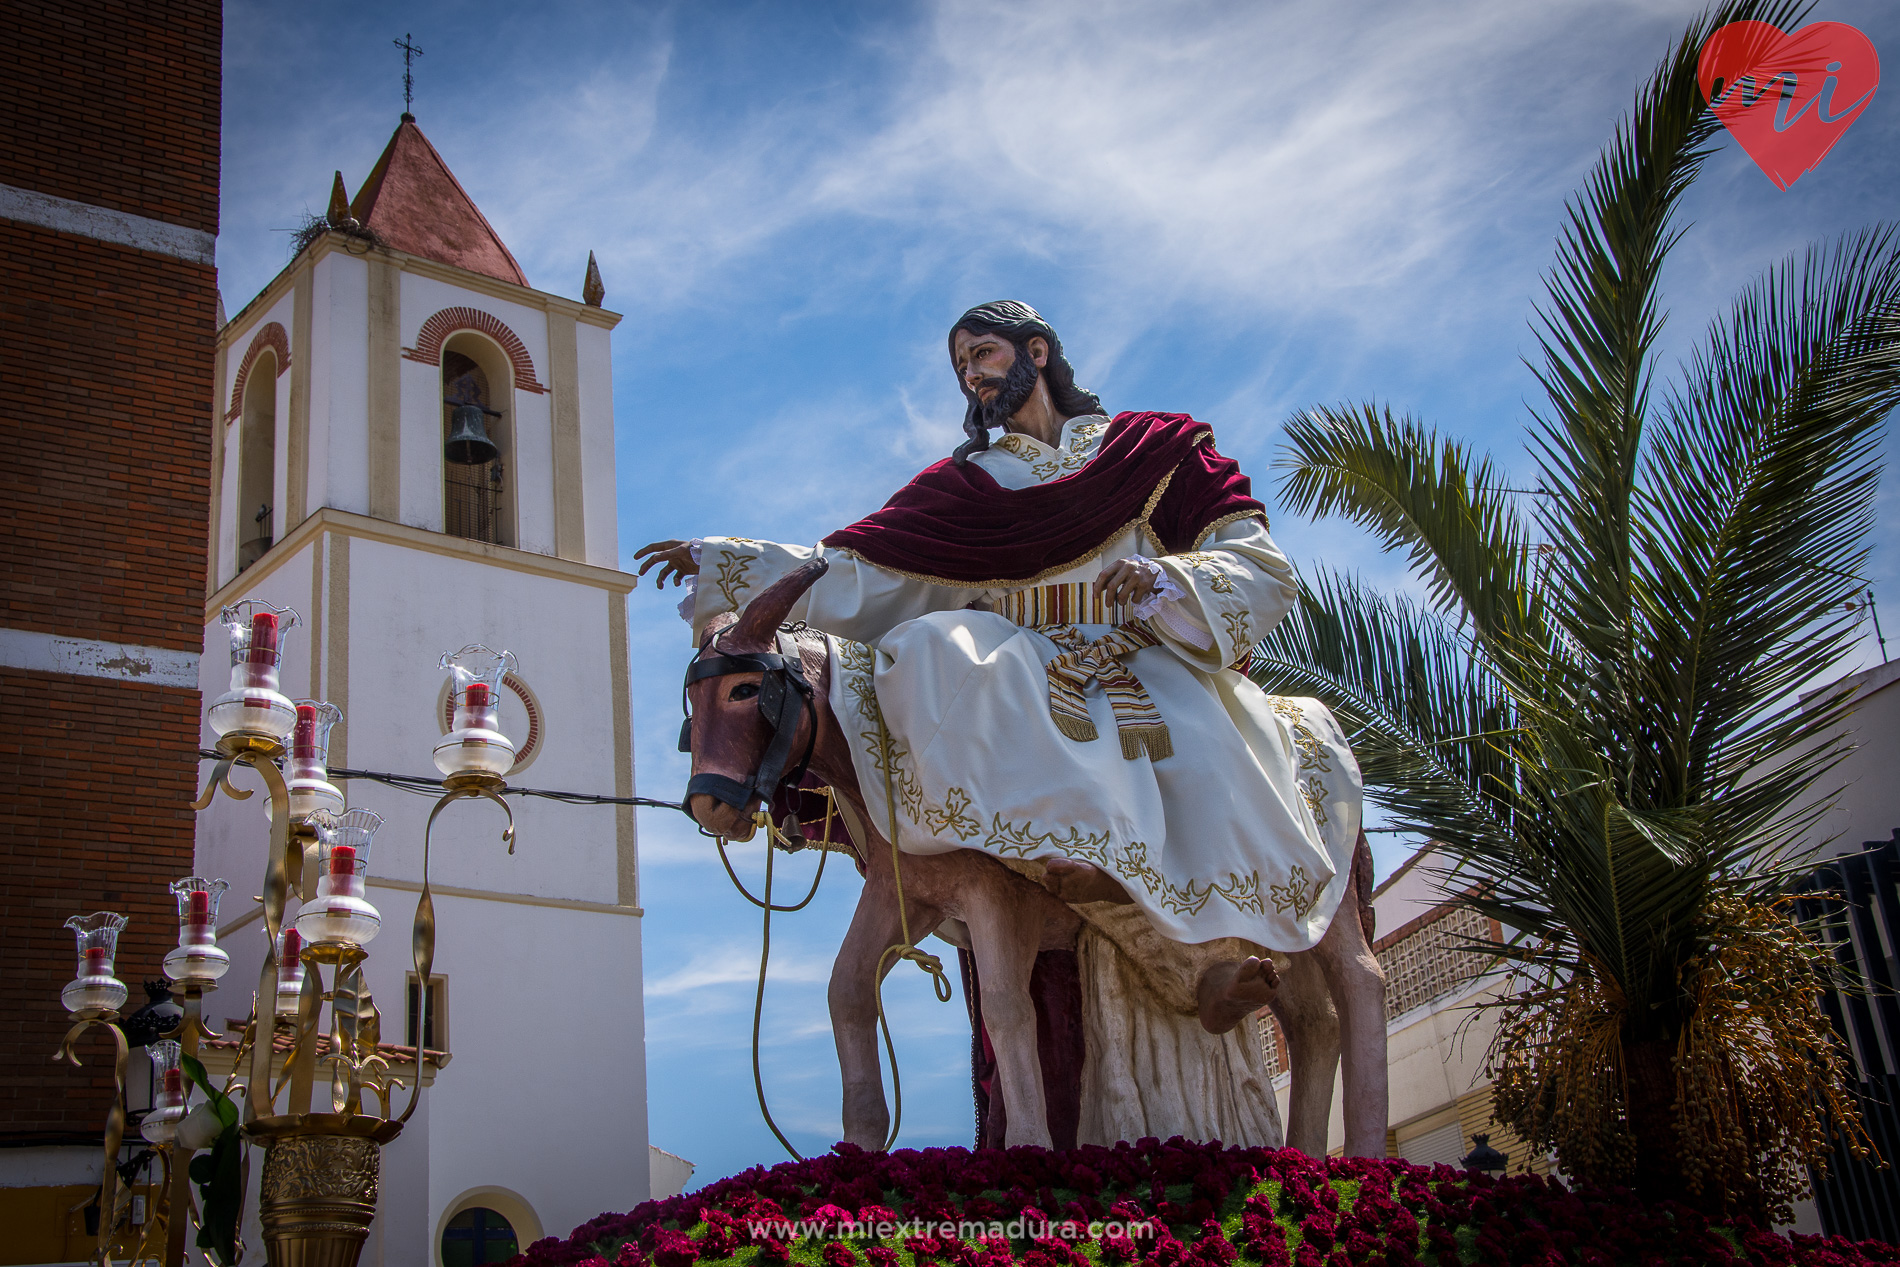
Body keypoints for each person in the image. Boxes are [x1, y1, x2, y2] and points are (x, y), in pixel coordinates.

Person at [639, 301, 1363, 1092]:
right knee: (932, 648)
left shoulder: (1151, 449)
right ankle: (1042, 851)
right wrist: (728, 564)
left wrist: (1168, 580)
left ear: (1037, 351)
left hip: (1149, 660)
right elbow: (853, 568)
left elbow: (1258, 563)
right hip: (1027, 675)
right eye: (961, 367)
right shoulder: (970, 489)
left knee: (1208, 755)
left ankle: (1214, 963)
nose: (972, 375)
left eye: (982, 354)